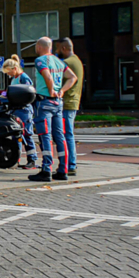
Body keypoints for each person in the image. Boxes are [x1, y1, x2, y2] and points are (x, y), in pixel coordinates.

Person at [29, 36, 78, 183]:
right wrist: (61, 91)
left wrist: (51, 90)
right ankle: (63, 169)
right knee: (60, 137)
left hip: (45, 102)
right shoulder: (59, 62)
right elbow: (72, 77)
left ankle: (46, 170)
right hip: (58, 103)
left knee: (45, 136)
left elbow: (47, 77)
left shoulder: (40, 61)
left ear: (39, 46)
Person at [1, 55, 38, 169]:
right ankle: (15, 159)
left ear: (14, 69)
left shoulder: (24, 78)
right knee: (16, 135)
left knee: (26, 134)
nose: (8, 74)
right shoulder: (15, 78)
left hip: (23, 110)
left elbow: (27, 94)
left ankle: (32, 159)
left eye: (8, 72)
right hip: (17, 110)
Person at [57, 38, 84, 177]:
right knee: (69, 133)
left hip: (67, 102)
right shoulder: (77, 61)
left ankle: (70, 164)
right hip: (74, 102)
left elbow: (57, 82)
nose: (56, 52)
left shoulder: (66, 63)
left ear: (63, 48)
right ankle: (71, 163)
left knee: (67, 134)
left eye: (57, 49)